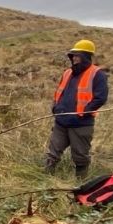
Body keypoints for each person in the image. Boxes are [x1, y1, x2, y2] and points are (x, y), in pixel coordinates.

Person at [45, 39, 108, 179]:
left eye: (77, 55)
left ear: (86, 56)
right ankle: (45, 181)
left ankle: (80, 184)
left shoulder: (97, 74)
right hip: (61, 122)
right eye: (72, 55)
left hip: (81, 124)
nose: (74, 58)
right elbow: (59, 92)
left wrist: (83, 113)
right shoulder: (67, 73)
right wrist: (55, 107)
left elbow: (101, 98)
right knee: (52, 154)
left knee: (80, 156)